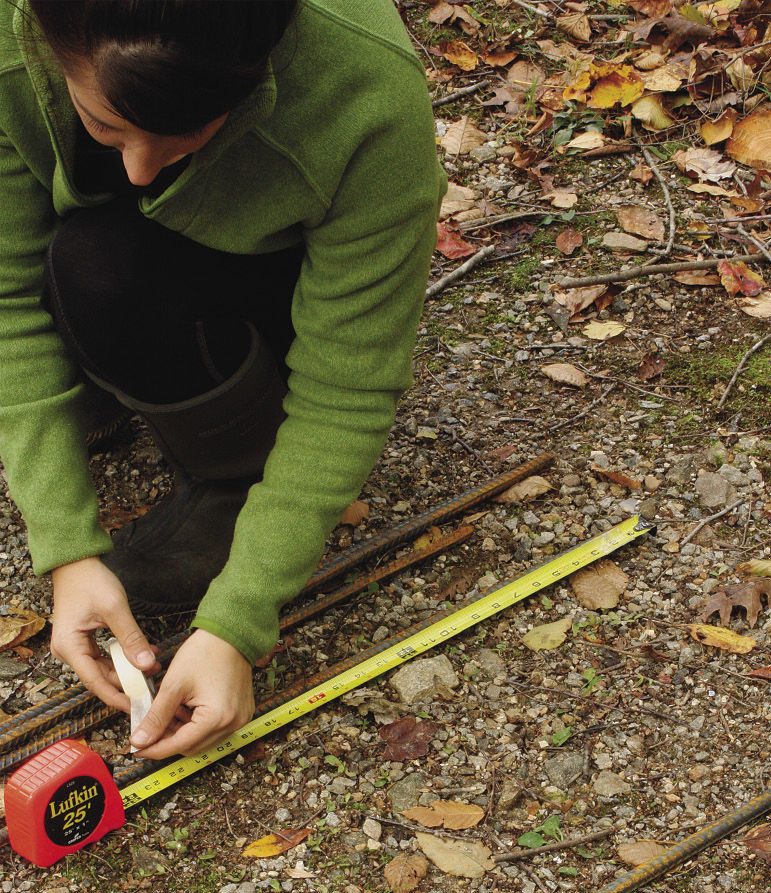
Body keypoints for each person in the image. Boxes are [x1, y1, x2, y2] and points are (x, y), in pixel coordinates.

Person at [0, 0, 444, 759]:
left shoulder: (369, 100)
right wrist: (67, 546)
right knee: (86, 262)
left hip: (263, 276)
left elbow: (347, 386)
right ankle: (109, 371)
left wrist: (239, 619)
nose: (137, 168)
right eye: (107, 129)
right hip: (98, 244)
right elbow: (4, 296)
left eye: (187, 133)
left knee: (102, 267)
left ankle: (237, 469)